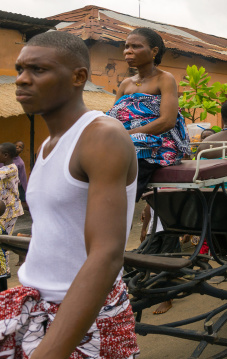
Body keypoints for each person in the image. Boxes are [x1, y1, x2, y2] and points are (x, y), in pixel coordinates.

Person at [1, 31, 139, 358]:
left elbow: (106, 255)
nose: (21, 80)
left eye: (38, 70)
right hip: (32, 304)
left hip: (83, 316)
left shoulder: (102, 137)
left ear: (78, 77)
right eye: (20, 69)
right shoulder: (47, 144)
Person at [108, 27, 190, 201]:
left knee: (130, 160)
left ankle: (121, 206)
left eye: (136, 46)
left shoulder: (165, 79)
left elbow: (167, 121)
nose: (128, 51)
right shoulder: (125, 84)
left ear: (154, 51)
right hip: (124, 140)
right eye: (126, 46)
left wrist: (127, 135)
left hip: (158, 143)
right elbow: (113, 117)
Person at [0, 143, 23, 292]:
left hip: (8, 211)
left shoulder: (9, 169)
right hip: (8, 209)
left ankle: (4, 271)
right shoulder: (8, 168)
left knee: (4, 242)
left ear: (6, 155)